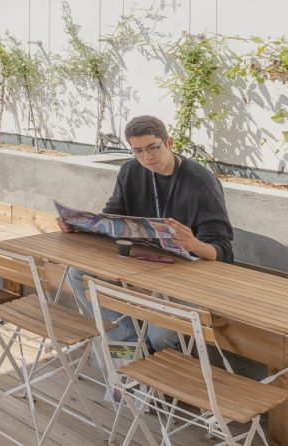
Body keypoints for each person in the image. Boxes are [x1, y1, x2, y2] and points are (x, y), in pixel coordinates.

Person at [65, 115, 234, 356]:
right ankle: (130, 351)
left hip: (190, 274)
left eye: (153, 148)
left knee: (160, 335)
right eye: (138, 151)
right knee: (77, 273)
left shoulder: (201, 183)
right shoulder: (130, 171)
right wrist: (80, 226)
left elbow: (223, 252)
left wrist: (193, 243)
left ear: (169, 142)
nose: (147, 157)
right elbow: (114, 215)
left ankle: (132, 362)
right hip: (143, 265)